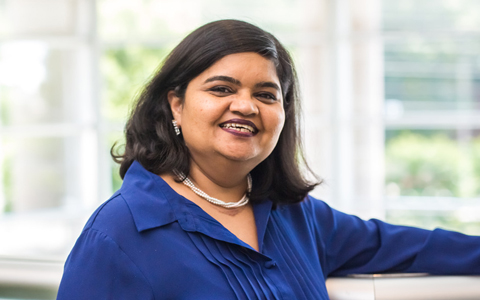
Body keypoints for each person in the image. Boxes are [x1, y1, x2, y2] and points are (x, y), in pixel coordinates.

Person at [57, 20, 480, 300]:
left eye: (265, 94)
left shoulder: (296, 217)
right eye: (221, 89)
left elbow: (414, 248)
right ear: (176, 105)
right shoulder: (118, 234)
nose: (245, 106)